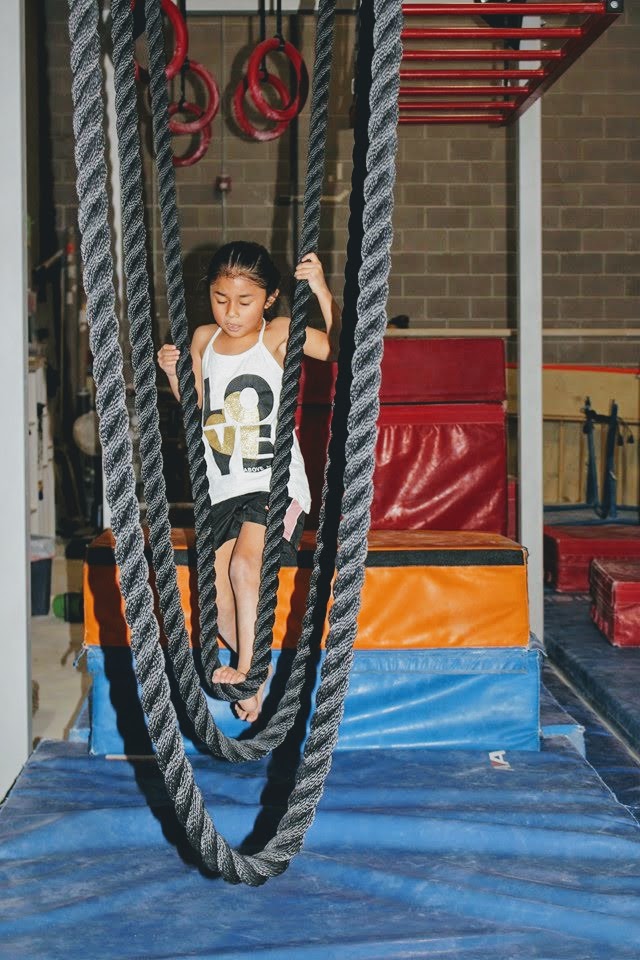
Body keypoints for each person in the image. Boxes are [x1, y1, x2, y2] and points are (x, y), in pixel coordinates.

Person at [158, 241, 341, 722]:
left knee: (245, 569)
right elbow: (194, 410)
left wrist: (320, 288)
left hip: (273, 482)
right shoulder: (203, 339)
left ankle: (247, 672)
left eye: (244, 302)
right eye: (220, 300)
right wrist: (174, 374)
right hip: (223, 486)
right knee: (215, 593)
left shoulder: (279, 333)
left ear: (271, 298)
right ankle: (255, 670)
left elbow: (339, 345)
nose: (232, 313)